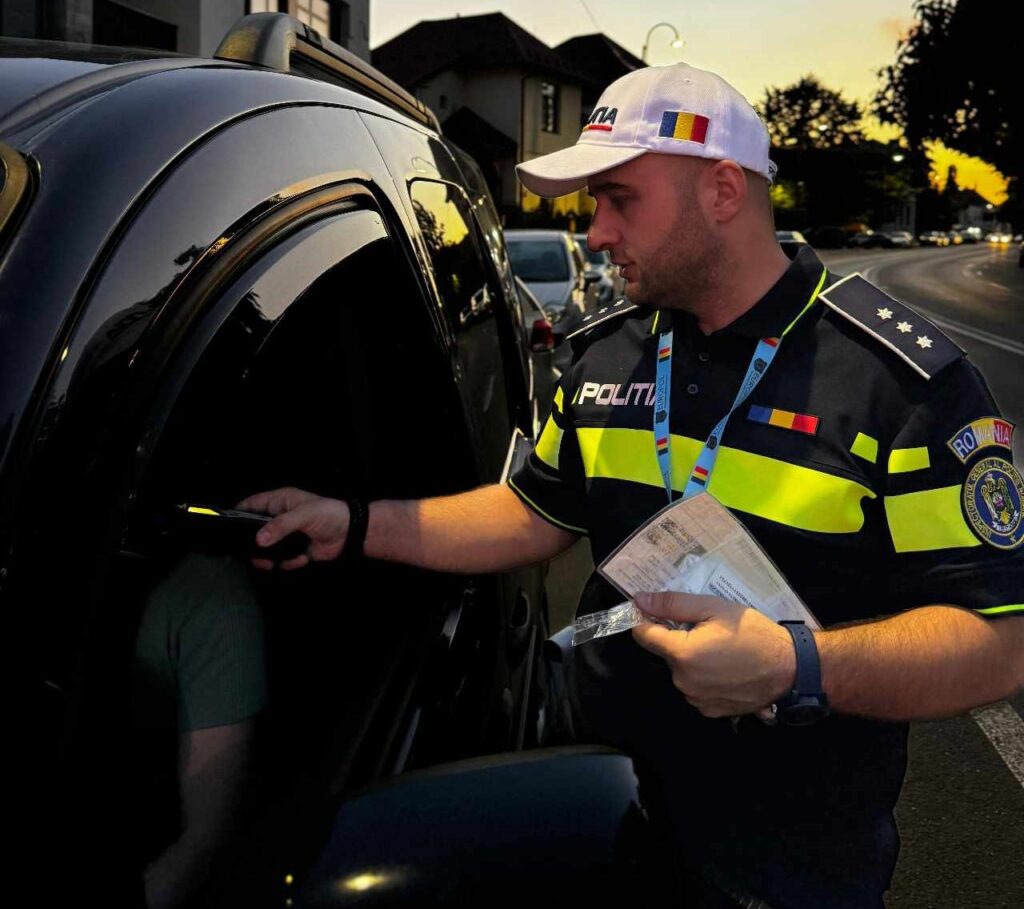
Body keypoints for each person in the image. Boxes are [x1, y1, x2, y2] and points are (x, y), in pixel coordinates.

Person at [239, 63, 1024, 908]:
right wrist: (353, 525)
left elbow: (999, 642)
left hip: (785, 860)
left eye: (620, 200)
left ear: (722, 189)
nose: (598, 232)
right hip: (600, 803)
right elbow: (532, 514)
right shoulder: (606, 352)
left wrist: (799, 667)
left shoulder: (900, 383)